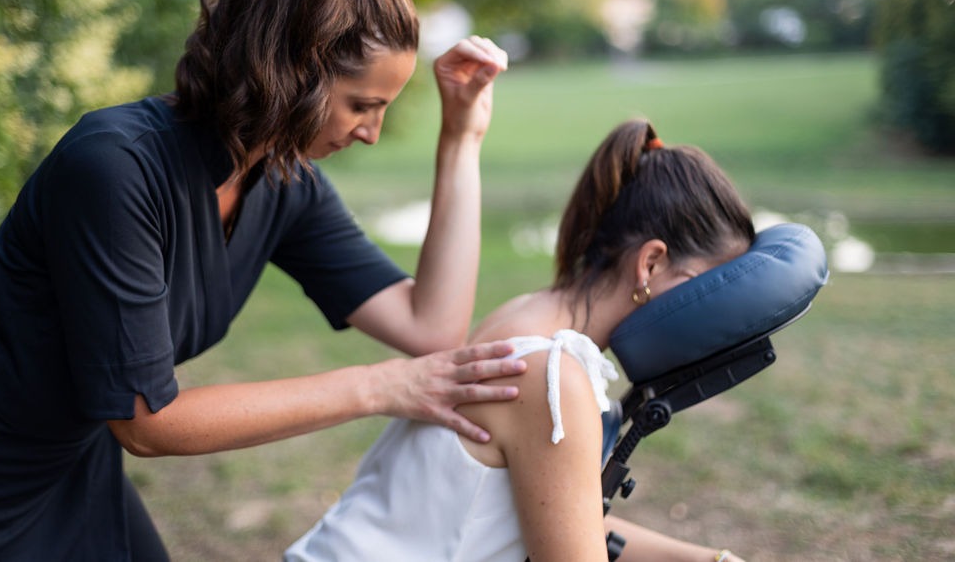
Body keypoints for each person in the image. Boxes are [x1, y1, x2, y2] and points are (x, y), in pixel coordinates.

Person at [0, 0, 523, 561]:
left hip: (65, 469)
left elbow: (431, 326)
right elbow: (148, 421)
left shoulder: (280, 184)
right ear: (294, 68)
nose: (371, 132)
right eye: (362, 104)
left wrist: (462, 139)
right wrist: (378, 386)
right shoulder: (114, 168)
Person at [283, 118, 756, 562]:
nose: (705, 308)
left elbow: (566, 519)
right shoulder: (553, 376)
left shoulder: (530, 317)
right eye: (700, 285)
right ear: (650, 264)